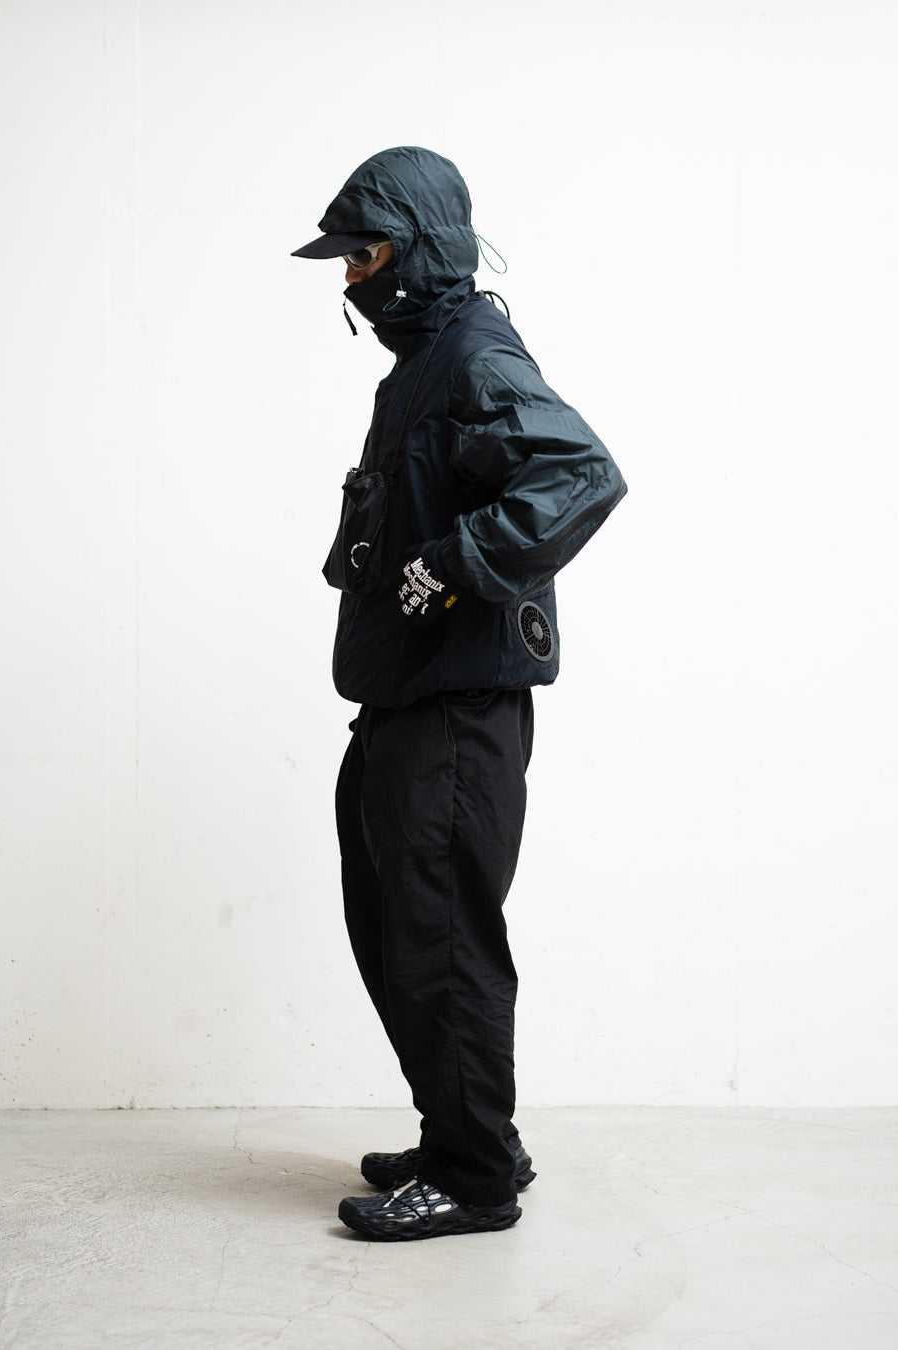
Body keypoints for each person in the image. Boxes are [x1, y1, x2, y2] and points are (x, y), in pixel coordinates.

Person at [291, 147, 626, 1241]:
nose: (352, 280)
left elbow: (580, 472)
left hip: (454, 712)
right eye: (346, 261)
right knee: (396, 928)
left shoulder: (476, 353)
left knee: (442, 941)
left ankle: (476, 1179)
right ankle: (463, 1132)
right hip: (405, 702)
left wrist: (458, 563)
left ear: (421, 250)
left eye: (366, 255)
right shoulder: (422, 368)